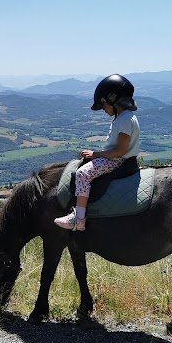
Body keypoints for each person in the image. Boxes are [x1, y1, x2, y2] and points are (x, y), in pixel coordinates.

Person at [54, 74, 140, 231]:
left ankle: (79, 219)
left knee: (82, 174)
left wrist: (96, 154)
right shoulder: (124, 117)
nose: (104, 109)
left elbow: (120, 151)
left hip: (117, 161)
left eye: (104, 105)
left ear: (114, 100)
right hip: (117, 159)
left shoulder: (125, 120)